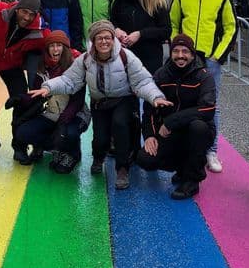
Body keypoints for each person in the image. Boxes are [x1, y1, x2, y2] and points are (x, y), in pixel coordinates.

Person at [29, 19, 171, 190]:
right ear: (93, 41)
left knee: (120, 126)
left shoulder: (126, 57)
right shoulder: (85, 60)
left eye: (107, 37)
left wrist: (155, 97)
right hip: (100, 102)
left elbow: (142, 81)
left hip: (122, 99)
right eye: (99, 38)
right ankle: (98, 157)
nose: (104, 41)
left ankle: (122, 168)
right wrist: (48, 87)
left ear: (113, 39)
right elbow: (69, 80)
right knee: (100, 137)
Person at [169, 0, 236, 174]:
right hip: (186, 59)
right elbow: (173, 25)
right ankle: (187, 146)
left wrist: (217, 55)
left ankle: (212, 150)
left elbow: (230, 28)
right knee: (185, 102)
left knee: (211, 106)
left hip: (209, 59)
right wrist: (177, 50)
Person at [136, 34, 216, 200]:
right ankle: (182, 168)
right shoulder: (161, 75)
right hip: (170, 133)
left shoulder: (204, 76)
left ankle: (192, 180)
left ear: (192, 54)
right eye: (176, 51)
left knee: (198, 127)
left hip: (196, 131)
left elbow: (207, 109)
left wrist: (171, 122)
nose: (180, 55)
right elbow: (149, 108)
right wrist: (149, 135)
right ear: (171, 53)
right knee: (145, 159)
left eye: (185, 51)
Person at [0, 0, 49, 166]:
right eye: (24, 12)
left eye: (31, 14)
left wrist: (77, 56)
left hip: (12, 66)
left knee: (22, 102)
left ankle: (19, 147)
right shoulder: (0, 11)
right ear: (17, 8)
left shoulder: (39, 31)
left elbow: (57, 42)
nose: (27, 17)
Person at [10, 30, 89, 173]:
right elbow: (36, 93)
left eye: (59, 45)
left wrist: (62, 123)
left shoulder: (76, 66)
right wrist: (20, 99)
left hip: (76, 114)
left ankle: (74, 154)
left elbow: (77, 102)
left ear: (65, 48)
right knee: (23, 132)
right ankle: (56, 148)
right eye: (51, 46)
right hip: (52, 113)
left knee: (69, 133)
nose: (55, 49)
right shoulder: (42, 67)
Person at [110, 0, 171, 75]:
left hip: (150, 61)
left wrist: (140, 34)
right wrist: (117, 30)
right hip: (125, 58)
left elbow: (166, 30)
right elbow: (112, 20)